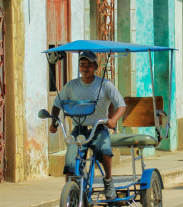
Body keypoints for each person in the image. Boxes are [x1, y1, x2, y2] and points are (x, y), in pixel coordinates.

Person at [48, 51, 126, 199]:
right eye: (82, 65)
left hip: (99, 128)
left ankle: (108, 181)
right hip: (79, 130)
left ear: (95, 67)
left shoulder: (105, 84)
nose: (85, 68)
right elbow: (57, 104)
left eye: (89, 65)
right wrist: (53, 122)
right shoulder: (71, 85)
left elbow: (121, 105)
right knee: (71, 163)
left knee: (105, 151)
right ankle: (71, 196)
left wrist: (113, 119)